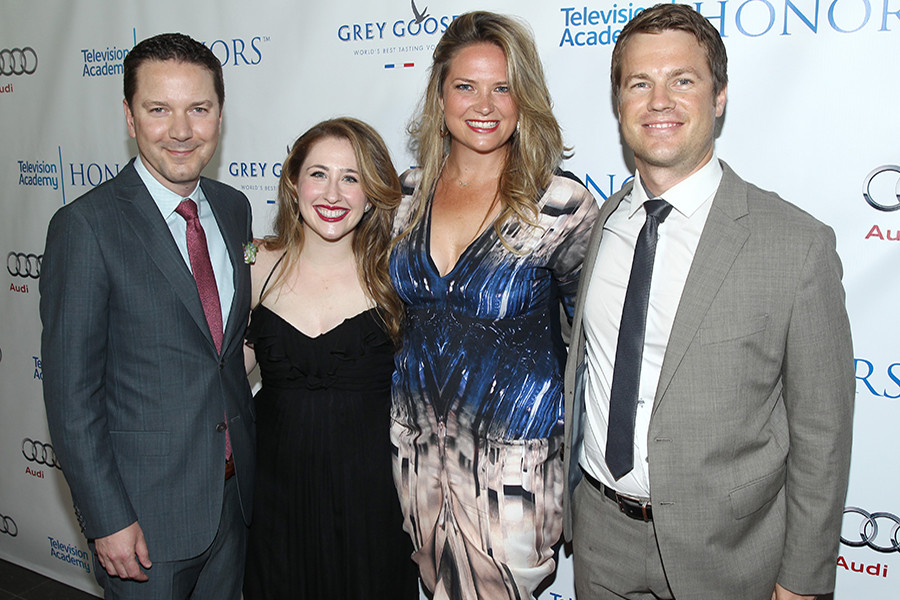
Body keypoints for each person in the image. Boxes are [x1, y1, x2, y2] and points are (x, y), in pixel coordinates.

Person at [562, 4, 855, 599]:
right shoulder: (604, 223)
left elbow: (823, 431)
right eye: (639, 83)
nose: (659, 100)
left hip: (730, 554)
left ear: (719, 97)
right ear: (619, 103)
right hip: (599, 538)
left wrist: (802, 580)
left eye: (683, 80)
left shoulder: (796, 245)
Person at [390, 11, 599, 600]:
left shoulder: (561, 205)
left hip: (513, 475)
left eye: (502, 86)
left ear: (523, 98)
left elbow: (596, 341)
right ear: (439, 95)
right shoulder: (404, 196)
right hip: (415, 462)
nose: (484, 104)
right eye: (465, 86)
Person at [40, 33, 255, 599]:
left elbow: (220, 354)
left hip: (233, 505)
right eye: (159, 109)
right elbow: (70, 397)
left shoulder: (234, 208)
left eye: (198, 109)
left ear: (219, 115)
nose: (181, 130)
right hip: (143, 522)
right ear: (131, 119)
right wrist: (106, 517)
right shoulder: (86, 227)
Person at [241, 118, 419, 600]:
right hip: (275, 496)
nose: (333, 194)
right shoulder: (254, 266)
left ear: (372, 192)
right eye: (318, 174)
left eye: (352, 177)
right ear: (292, 183)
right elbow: (222, 376)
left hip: (373, 501)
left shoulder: (398, 274)